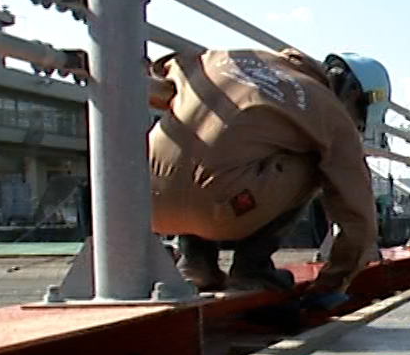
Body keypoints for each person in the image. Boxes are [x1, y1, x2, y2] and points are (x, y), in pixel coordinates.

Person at [147, 48, 389, 308]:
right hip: (224, 209)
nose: (355, 124)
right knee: (315, 158)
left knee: (216, 144)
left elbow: (159, 73)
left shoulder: (224, 58)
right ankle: (252, 269)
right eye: (359, 117)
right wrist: (332, 283)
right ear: (353, 93)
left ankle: (195, 263)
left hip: (149, 202)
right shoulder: (329, 109)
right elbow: (359, 217)